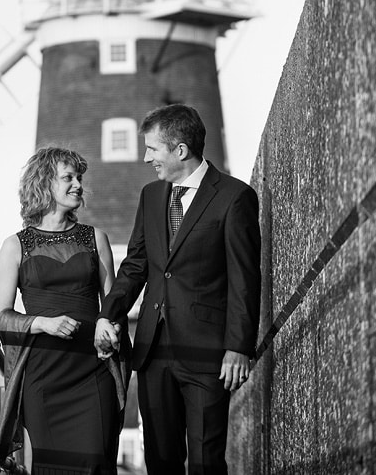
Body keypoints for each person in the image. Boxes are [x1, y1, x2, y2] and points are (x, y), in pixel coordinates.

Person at [95, 104, 261, 475]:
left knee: (205, 459)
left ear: (180, 150)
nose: (146, 157)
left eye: (153, 149)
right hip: (154, 352)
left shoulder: (234, 197)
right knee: (160, 459)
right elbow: (136, 265)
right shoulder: (151, 196)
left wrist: (238, 347)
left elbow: (245, 278)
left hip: (208, 353)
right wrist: (109, 313)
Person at [0, 146, 128, 474]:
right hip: (43, 376)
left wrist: (111, 328)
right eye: (68, 177)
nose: (78, 184)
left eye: (79, 177)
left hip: (93, 370)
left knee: (96, 462)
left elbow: (113, 307)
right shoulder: (15, 245)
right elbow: (1, 317)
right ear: (43, 184)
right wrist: (42, 323)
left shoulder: (96, 238)